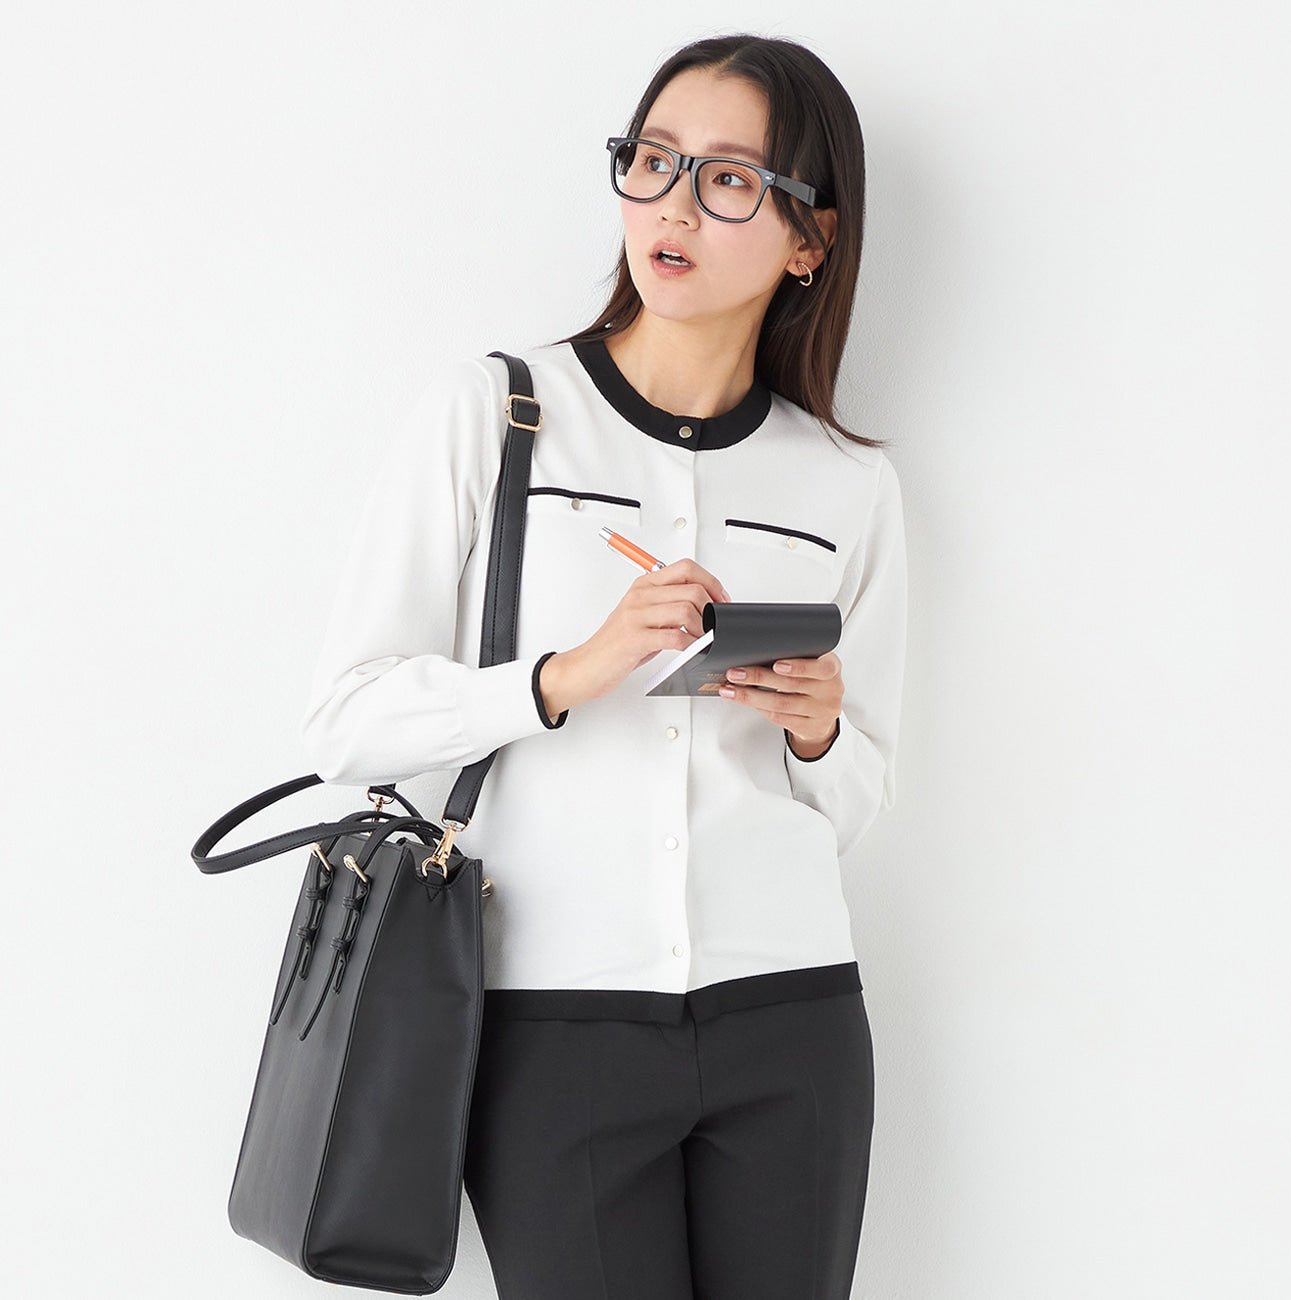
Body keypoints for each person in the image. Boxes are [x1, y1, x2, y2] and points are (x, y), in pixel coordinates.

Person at [302, 32, 907, 1300]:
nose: (672, 205)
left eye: (728, 178)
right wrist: (560, 675)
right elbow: (347, 722)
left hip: (791, 1016)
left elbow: (855, 803)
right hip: (550, 1024)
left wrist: (816, 730)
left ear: (809, 239)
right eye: (652, 160)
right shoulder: (496, 412)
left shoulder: (847, 483)